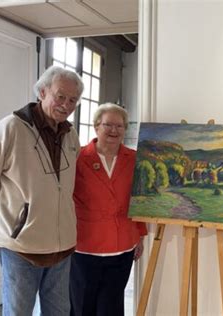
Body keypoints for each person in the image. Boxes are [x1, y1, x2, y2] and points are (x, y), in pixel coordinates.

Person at [0, 65, 84, 315]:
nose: (66, 104)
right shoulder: (10, 128)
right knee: (19, 311)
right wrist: (6, 226)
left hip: (62, 248)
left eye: (73, 99)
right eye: (60, 96)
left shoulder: (71, 135)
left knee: (59, 311)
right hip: (21, 249)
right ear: (42, 92)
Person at [70, 103, 147, 316]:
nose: (114, 130)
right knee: (82, 306)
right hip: (84, 247)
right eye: (108, 125)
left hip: (122, 246)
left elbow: (138, 199)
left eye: (119, 126)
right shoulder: (78, 158)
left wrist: (140, 235)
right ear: (96, 127)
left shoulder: (134, 159)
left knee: (111, 307)